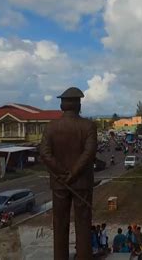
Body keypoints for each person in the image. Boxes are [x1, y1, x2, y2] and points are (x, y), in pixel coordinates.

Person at [40, 87, 97, 260]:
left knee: (59, 224)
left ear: (61, 106)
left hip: (59, 183)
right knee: (83, 224)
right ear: (79, 105)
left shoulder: (51, 127)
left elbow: (45, 153)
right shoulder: (88, 126)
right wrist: (73, 173)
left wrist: (62, 172)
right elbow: (89, 153)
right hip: (82, 182)